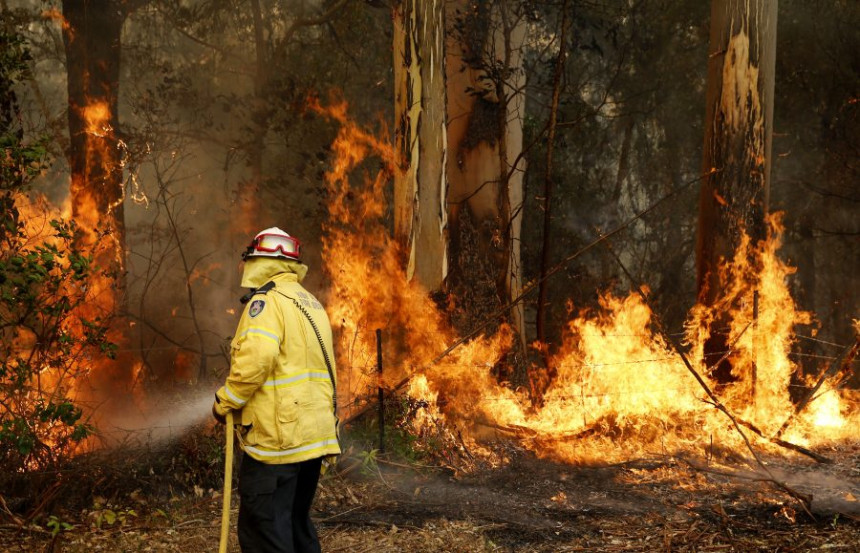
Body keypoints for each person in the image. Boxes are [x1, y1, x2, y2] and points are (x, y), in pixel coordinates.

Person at [212, 227, 340, 553]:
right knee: (295, 525)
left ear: (257, 261)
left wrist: (227, 401)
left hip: (277, 441)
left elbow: (257, 360)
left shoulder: (266, 303)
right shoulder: (310, 303)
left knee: (265, 532)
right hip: (311, 440)